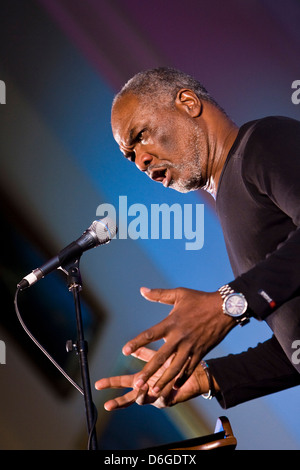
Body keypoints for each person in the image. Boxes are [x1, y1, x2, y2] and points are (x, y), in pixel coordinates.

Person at [95, 67, 300, 412]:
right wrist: (208, 378)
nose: (141, 161)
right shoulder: (230, 196)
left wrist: (228, 303)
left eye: (141, 135)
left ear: (188, 103)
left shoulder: (264, 141)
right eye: (130, 156)